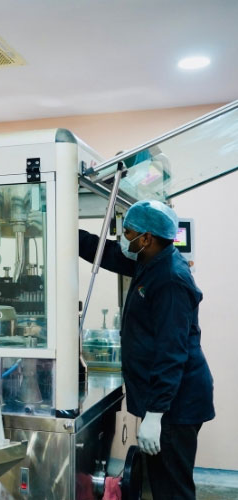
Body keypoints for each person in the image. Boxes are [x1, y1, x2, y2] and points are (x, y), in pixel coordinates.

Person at [79, 200, 214, 500]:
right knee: (161, 483)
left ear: (147, 238)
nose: (123, 238)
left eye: (127, 232)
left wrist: (155, 414)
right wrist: (67, 233)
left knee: (172, 490)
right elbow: (109, 253)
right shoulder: (151, 259)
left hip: (176, 406)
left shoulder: (170, 279)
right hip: (166, 401)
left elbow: (172, 353)